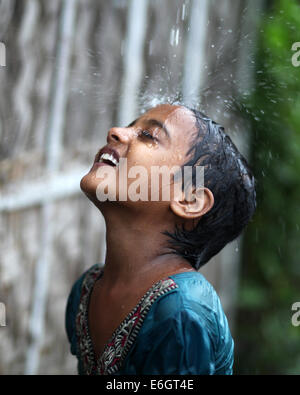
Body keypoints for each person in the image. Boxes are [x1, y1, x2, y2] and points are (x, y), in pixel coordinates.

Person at [65, 104, 256, 375]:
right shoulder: (86, 291)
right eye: (130, 125)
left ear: (189, 199)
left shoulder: (182, 312)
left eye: (148, 136)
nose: (115, 132)